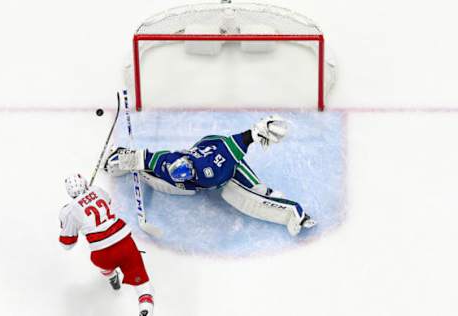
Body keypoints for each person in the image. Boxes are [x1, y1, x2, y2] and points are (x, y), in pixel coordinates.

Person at [105, 115, 316, 236]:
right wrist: (118, 159)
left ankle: (296, 214)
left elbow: (235, 142)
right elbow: (145, 157)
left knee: (256, 192)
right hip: (203, 150)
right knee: (164, 180)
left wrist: (256, 132)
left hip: (222, 158)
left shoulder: (212, 166)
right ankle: (120, 157)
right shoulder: (168, 162)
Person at [59, 174, 154, 316]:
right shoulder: (97, 190)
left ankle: (111, 276)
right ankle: (145, 311)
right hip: (124, 244)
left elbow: (68, 244)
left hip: (101, 254)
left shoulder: (69, 211)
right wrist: (90, 194)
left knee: (104, 264)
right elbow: (108, 201)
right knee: (144, 289)